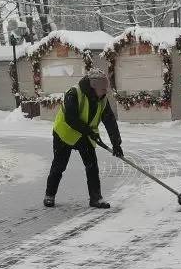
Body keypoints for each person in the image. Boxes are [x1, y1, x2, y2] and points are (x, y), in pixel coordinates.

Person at [43, 70, 123, 209]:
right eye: (102, 89)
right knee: (59, 165)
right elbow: (71, 118)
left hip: (86, 135)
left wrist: (116, 143)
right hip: (65, 134)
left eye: (106, 89)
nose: (105, 92)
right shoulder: (74, 93)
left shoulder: (102, 98)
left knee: (92, 166)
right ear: (93, 86)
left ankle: (96, 198)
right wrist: (89, 132)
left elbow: (109, 120)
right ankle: (49, 195)